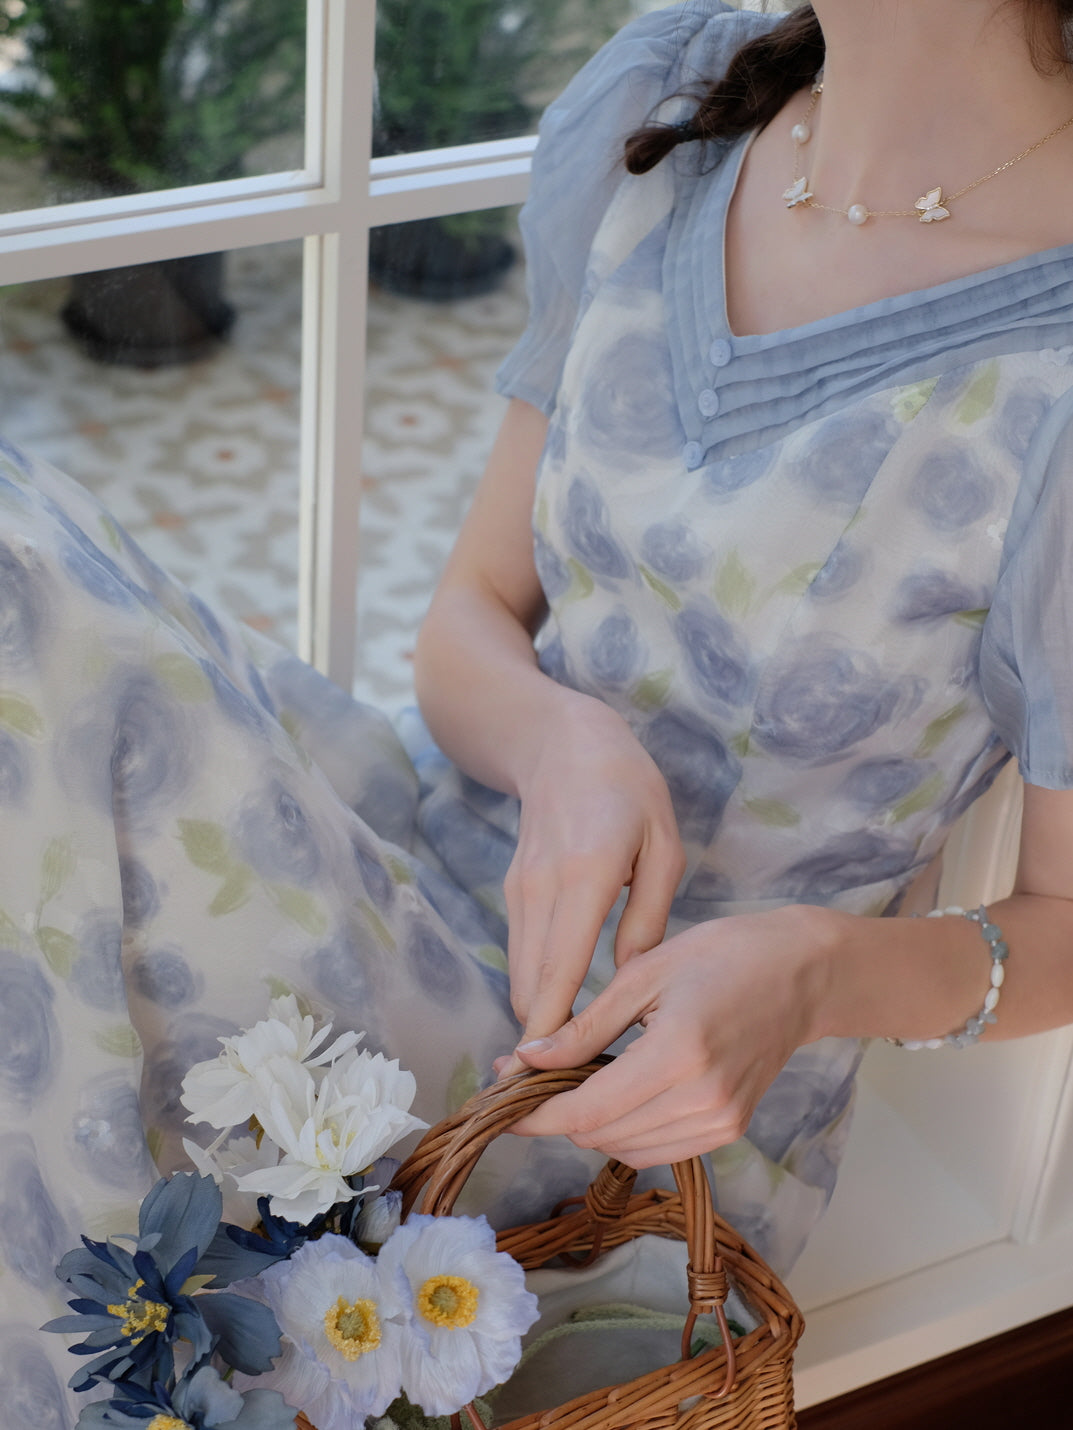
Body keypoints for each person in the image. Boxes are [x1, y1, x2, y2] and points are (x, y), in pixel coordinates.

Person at [4, 0, 1073, 1415]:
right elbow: (466, 623)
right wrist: (558, 740)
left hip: (607, 1111)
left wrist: (808, 970)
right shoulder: (681, 97)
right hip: (405, 858)